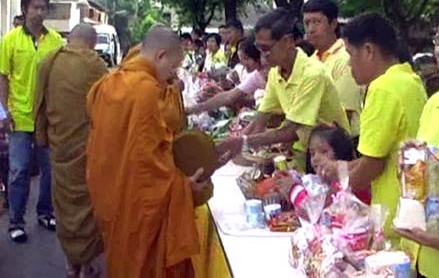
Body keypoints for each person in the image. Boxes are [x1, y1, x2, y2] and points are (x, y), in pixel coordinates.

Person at [86, 24, 211, 278]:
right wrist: (184, 187)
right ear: (161, 55)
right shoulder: (145, 91)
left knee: (122, 259)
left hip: (110, 195)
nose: (172, 76)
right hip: (138, 202)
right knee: (142, 266)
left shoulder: (106, 83)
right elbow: (149, 164)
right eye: (173, 67)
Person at [319, 13, 427, 244]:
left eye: (350, 54)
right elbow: (382, 155)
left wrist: (328, 200)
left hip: (395, 220)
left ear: (368, 51)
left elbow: (372, 165)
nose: (348, 65)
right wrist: (342, 168)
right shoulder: (410, 80)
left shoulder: (382, 88)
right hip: (414, 213)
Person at [216, 8, 350, 169]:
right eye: (259, 49)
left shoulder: (313, 74)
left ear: (288, 42)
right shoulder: (275, 72)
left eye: (267, 48)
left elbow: (292, 131)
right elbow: (260, 121)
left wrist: (244, 141)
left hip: (332, 155)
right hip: (306, 150)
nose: (262, 55)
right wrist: (229, 153)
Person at [34, 24, 108, 277]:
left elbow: (40, 103)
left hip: (61, 146)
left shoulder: (49, 61)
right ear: (92, 42)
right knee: (88, 206)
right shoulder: (96, 64)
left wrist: (42, 135)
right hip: (88, 148)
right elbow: (107, 108)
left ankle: (71, 263)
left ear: (70, 39)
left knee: (64, 207)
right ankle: (86, 265)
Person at [0, 0, 64, 243]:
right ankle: (16, 221)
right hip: (18, 117)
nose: (39, 12)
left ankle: (45, 212)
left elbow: (62, 79)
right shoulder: (10, 40)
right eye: (35, 7)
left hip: (47, 118)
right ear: (25, 9)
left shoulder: (57, 42)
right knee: (19, 170)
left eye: (43, 7)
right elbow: (2, 78)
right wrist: (3, 112)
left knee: (49, 170)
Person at [395, 2, 439, 278]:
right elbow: (420, 177)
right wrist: (407, 162)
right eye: (438, 40)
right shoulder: (436, 102)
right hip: (421, 259)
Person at [303, 0, 363, 138]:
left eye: (317, 22)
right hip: (314, 141)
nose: (310, 29)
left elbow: (343, 115)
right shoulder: (309, 61)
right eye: (307, 23)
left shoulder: (345, 58)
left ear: (333, 24)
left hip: (341, 142)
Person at [187, 34, 267, 115]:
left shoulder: (271, 75)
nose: (245, 65)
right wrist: (197, 108)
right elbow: (229, 96)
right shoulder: (257, 75)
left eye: (246, 59)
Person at [306, 125, 371, 205]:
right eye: (312, 153)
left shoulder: (355, 180)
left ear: (340, 152)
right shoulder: (312, 183)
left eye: (323, 152)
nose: (315, 158)